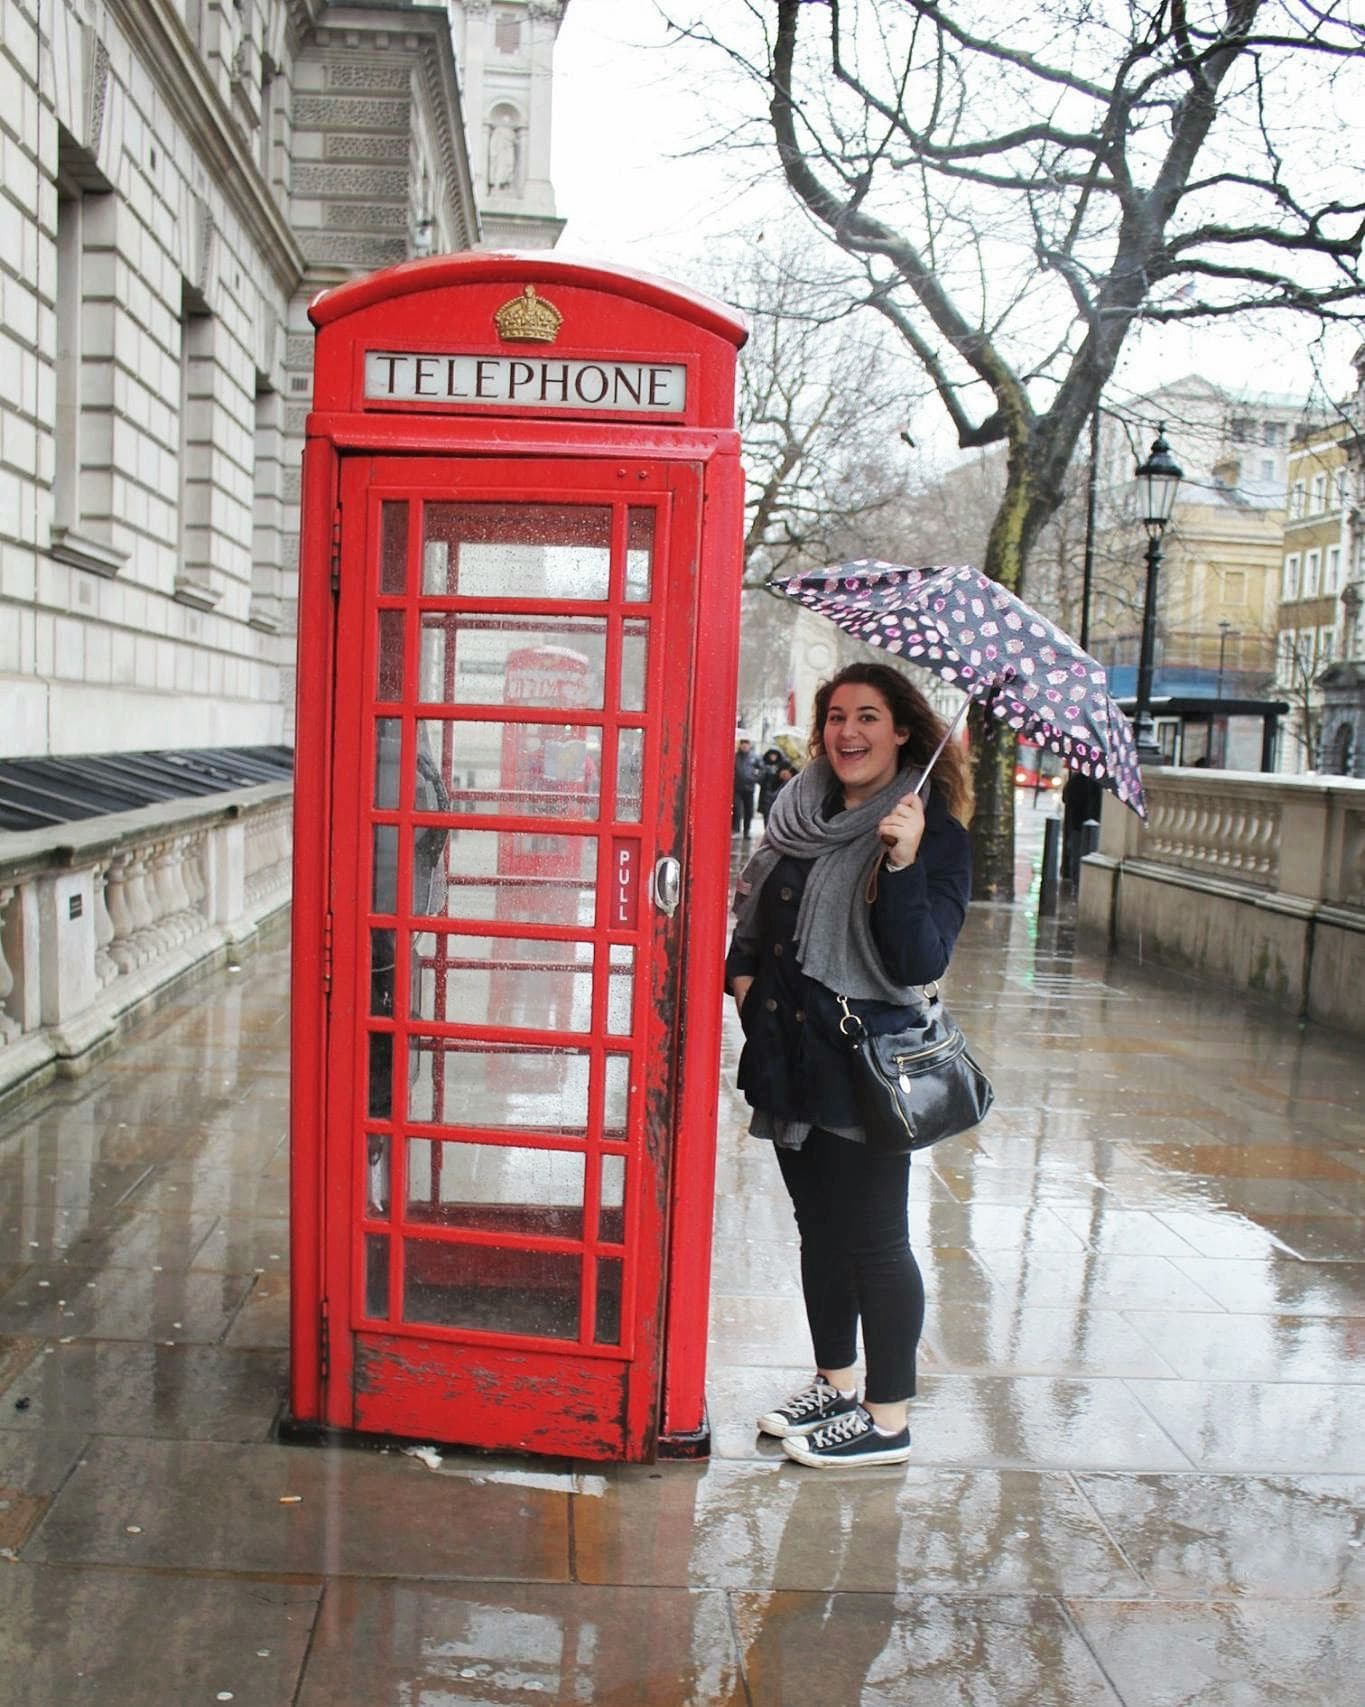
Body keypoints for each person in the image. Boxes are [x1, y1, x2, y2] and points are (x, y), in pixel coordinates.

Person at [725, 662, 972, 1467]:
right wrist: (742, 977)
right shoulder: (799, 814)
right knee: (817, 1229)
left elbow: (917, 959)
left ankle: (888, 1417)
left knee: (874, 1239)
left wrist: (901, 864)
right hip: (788, 1056)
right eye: (835, 715)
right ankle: (834, 1381)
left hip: (866, 1065)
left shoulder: (933, 832)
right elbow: (759, 915)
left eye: (867, 716)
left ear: (902, 729)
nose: (847, 732)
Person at [732, 737, 763, 838]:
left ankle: (746, 830)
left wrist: (755, 778)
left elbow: (762, 769)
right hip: (737, 787)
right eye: (743, 744)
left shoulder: (754, 757)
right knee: (736, 808)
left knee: (748, 810)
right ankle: (736, 829)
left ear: (749, 745)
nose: (745, 746)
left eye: (746, 744)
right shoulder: (735, 756)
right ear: (740, 745)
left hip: (749, 788)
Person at [757, 747, 785, 821]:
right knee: (766, 814)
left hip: (777, 793)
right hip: (766, 794)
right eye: (771, 755)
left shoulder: (782, 767)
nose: (773, 757)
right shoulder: (764, 766)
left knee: (776, 815)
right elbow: (759, 780)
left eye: (775, 755)